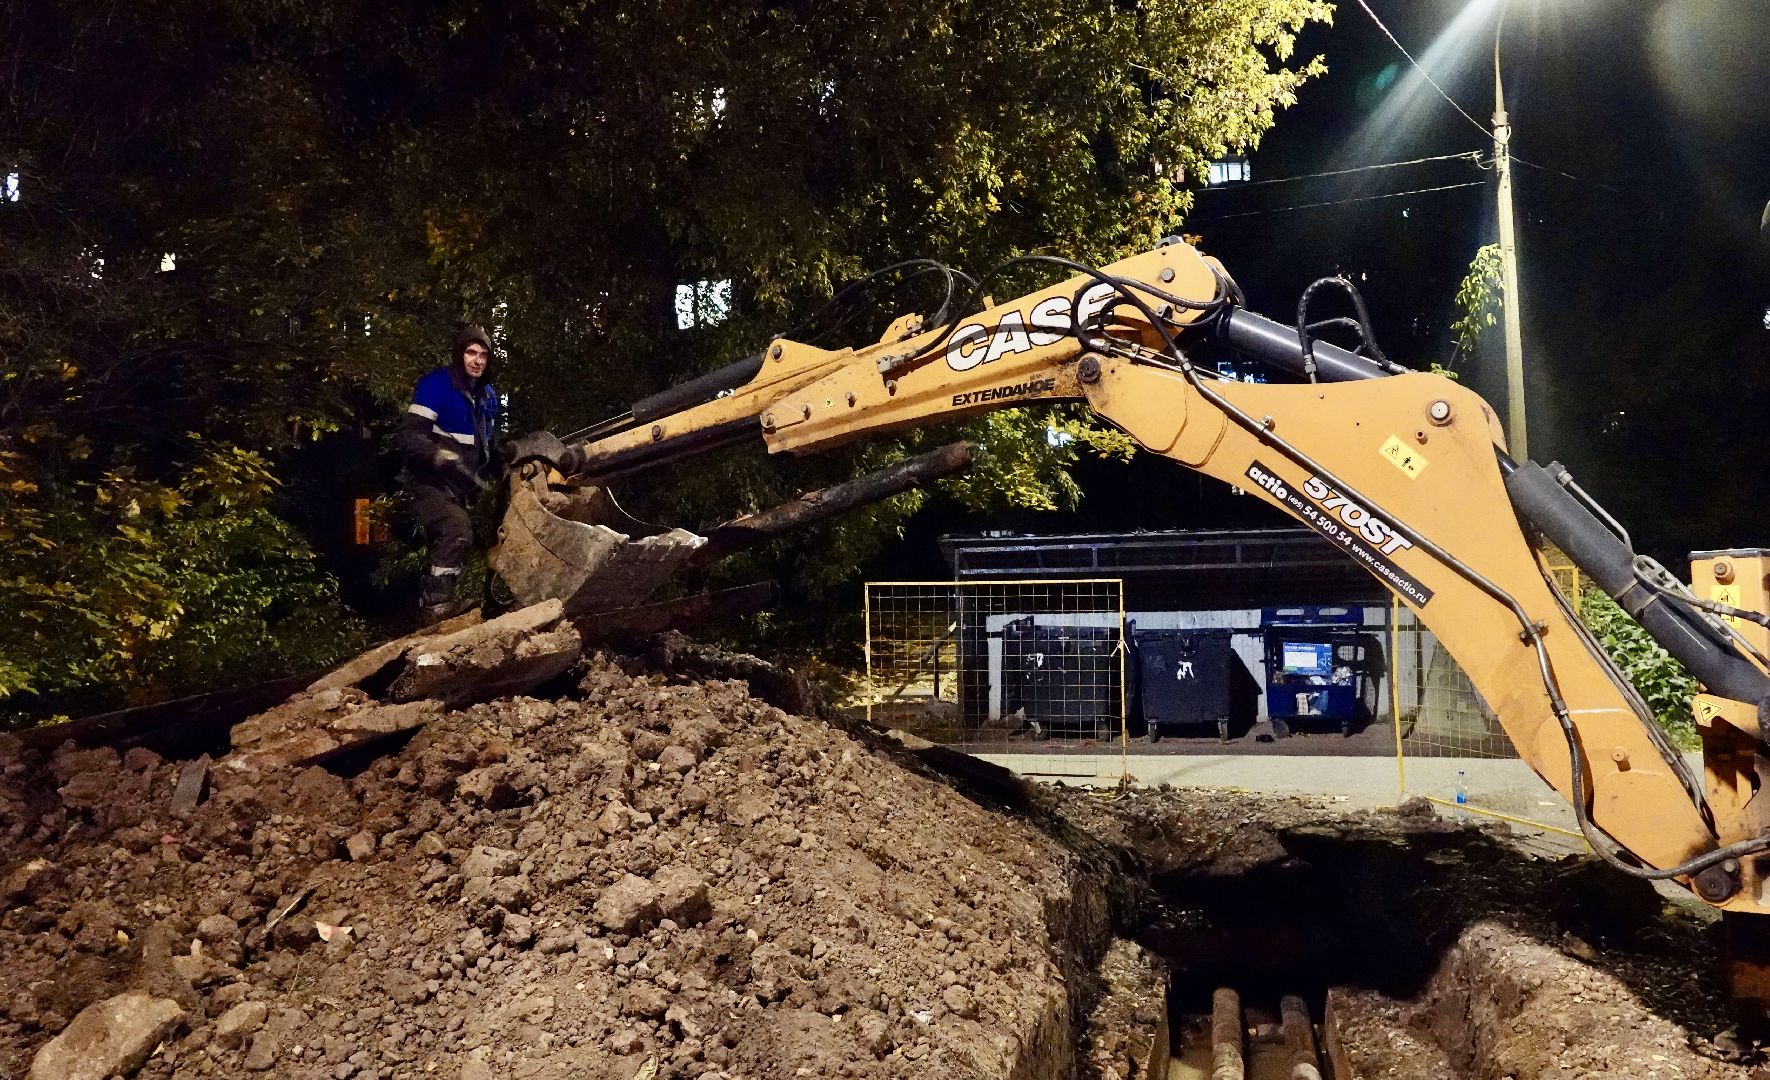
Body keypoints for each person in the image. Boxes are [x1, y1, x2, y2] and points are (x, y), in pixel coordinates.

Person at [398, 323, 502, 622]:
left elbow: (486, 444)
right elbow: (410, 436)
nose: (477, 360)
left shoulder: (488, 396)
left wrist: (502, 458)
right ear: (460, 354)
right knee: (455, 529)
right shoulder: (437, 385)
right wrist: (437, 455)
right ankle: (434, 607)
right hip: (428, 479)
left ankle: (442, 605)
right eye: (471, 352)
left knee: (461, 535)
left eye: (483, 354)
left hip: (459, 486)